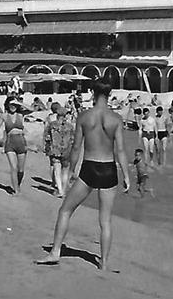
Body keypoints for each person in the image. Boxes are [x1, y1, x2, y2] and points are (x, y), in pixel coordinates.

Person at [36, 81, 130, 273]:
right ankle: (103, 263)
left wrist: (70, 171)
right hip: (109, 169)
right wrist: (127, 175)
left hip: (90, 167)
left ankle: (55, 252)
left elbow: (77, 147)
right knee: (105, 221)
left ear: (93, 94)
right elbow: (120, 150)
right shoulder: (116, 119)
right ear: (110, 94)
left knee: (65, 211)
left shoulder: (84, 116)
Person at [43, 102, 75, 198]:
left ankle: (60, 190)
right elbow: (73, 139)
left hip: (55, 150)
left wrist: (46, 148)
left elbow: (47, 137)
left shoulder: (52, 125)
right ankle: (64, 190)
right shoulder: (70, 126)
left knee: (57, 170)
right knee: (65, 170)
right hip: (66, 150)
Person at [0, 99, 29, 195]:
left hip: (21, 142)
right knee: (13, 168)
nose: (13, 107)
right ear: (7, 105)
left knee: (21, 170)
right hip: (10, 142)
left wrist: (19, 102)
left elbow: (32, 109)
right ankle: (16, 190)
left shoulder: (20, 115)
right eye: (11, 104)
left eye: (15, 105)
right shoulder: (4, 116)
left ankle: (17, 184)